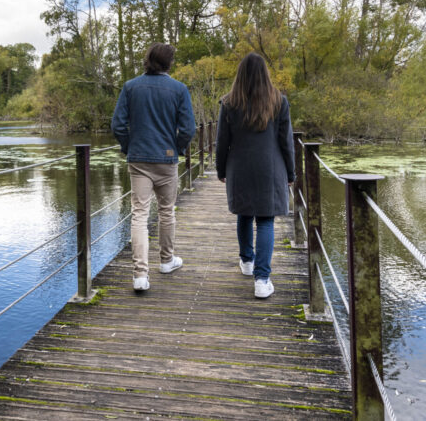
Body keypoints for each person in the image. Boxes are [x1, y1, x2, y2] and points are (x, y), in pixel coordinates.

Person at [111, 43, 196, 292]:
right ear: (169, 63)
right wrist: (177, 148)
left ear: (148, 60)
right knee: (166, 211)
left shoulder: (130, 87)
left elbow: (118, 125)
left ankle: (140, 275)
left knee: (139, 214)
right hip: (167, 159)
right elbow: (189, 129)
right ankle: (167, 261)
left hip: (139, 160)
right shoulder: (179, 89)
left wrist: (130, 147)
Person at [215, 53, 295, 299]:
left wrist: (220, 170)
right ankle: (262, 280)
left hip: (239, 168)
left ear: (240, 74)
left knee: (244, 214)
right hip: (269, 169)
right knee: (266, 220)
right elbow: (286, 142)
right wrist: (291, 173)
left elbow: (222, 143)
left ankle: (247, 262)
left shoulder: (229, 103)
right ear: (265, 74)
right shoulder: (278, 101)